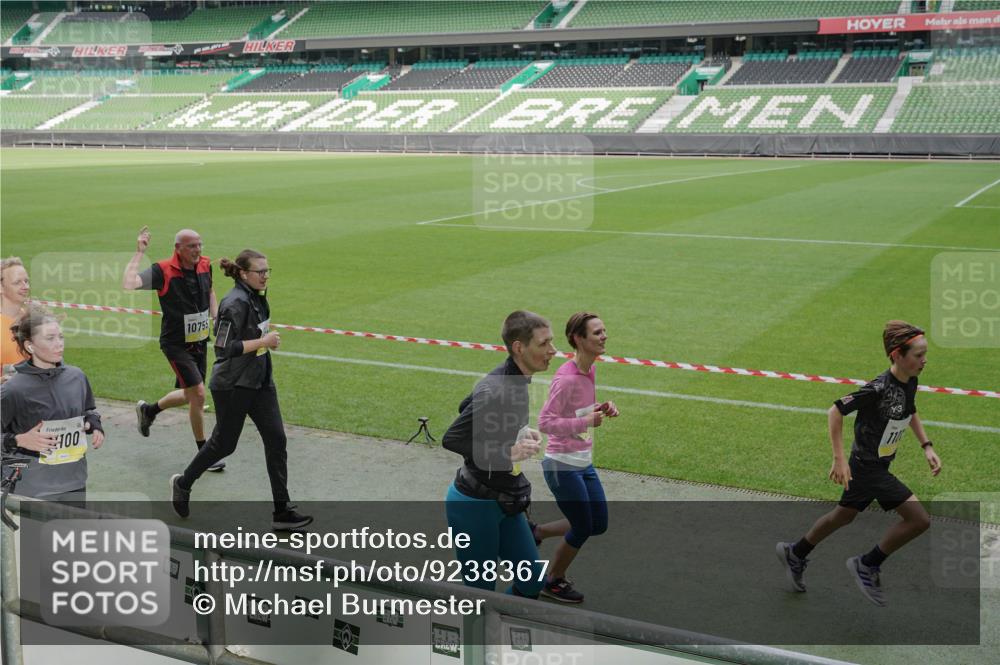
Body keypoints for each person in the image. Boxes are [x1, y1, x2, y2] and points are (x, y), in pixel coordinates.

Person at [776, 321, 942, 607]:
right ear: (896, 355)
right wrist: (839, 459)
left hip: (878, 465)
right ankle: (867, 564)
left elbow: (909, 409)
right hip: (867, 467)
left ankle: (796, 552)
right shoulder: (877, 388)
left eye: (925, 354)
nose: (924, 360)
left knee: (843, 515)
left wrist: (926, 446)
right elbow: (835, 411)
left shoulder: (910, 380)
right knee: (919, 520)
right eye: (918, 355)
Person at [169, 250, 311, 531]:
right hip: (232, 385)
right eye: (260, 271)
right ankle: (183, 483)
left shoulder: (256, 296)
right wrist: (263, 342)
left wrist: (262, 344)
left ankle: (281, 511)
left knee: (276, 439)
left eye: (268, 271)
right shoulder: (233, 302)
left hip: (260, 380)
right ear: (244, 274)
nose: (265, 276)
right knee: (225, 444)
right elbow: (223, 348)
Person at [442, 310, 556, 597]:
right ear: (519, 348)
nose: (553, 351)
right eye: (544, 344)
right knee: (480, 595)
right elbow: (452, 437)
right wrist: (508, 452)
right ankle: (482, 639)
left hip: (506, 501)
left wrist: (518, 429)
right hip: (473, 506)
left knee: (532, 582)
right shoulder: (498, 387)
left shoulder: (516, 379)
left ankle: (498, 630)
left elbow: (464, 404)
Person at [123, 227, 223, 471]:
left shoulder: (205, 265)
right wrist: (139, 253)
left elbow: (210, 291)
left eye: (200, 245)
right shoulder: (162, 270)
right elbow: (129, 283)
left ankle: (149, 410)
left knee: (191, 395)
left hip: (199, 341)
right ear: (178, 248)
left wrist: (216, 316)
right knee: (198, 394)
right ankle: (205, 453)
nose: (197, 250)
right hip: (175, 344)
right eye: (191, 246)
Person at [535, 312, 619, 603]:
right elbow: (545, 422)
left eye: (604, 330)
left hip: (582, 461)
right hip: (561, 465)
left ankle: (538, 532)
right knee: (582, 526)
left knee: (598, 523)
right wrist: (586, 423)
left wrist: (600, 408)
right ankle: (553, 581)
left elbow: (576, 410)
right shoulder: (566, 379)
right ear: (579, 339)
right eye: (597, 332)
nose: (604, 336)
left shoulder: (589, 370)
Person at [1, 305, 104, 502]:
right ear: (30, 346)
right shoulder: (12, 390)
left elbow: (88, 410)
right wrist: (18, 440)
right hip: (32, 489)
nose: (59, 344)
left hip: (74, 482)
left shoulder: (77, 377)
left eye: (61, 337)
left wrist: (94, 423)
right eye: (50, 339)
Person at [1, 257, 30, 382]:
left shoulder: (33, 320)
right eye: (17, 282)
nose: (25, 287)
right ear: (1, 288)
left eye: (26, 281)